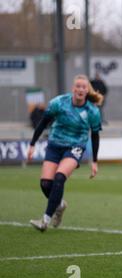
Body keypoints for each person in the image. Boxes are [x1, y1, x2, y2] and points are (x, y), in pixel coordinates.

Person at [28, 75, 103, 232]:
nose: (81, 89)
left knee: (59, 177)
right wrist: (32, 144)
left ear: (87, 90)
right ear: (73, 89)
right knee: (45, 184)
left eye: (84, 87)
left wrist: (94, 161)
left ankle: (45, 220)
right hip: (55, 145)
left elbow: (95, 136)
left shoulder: (92, 111)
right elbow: (43, 123)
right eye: (78, 86)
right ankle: (60, 205)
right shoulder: (59, 102)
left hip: (75, 146)